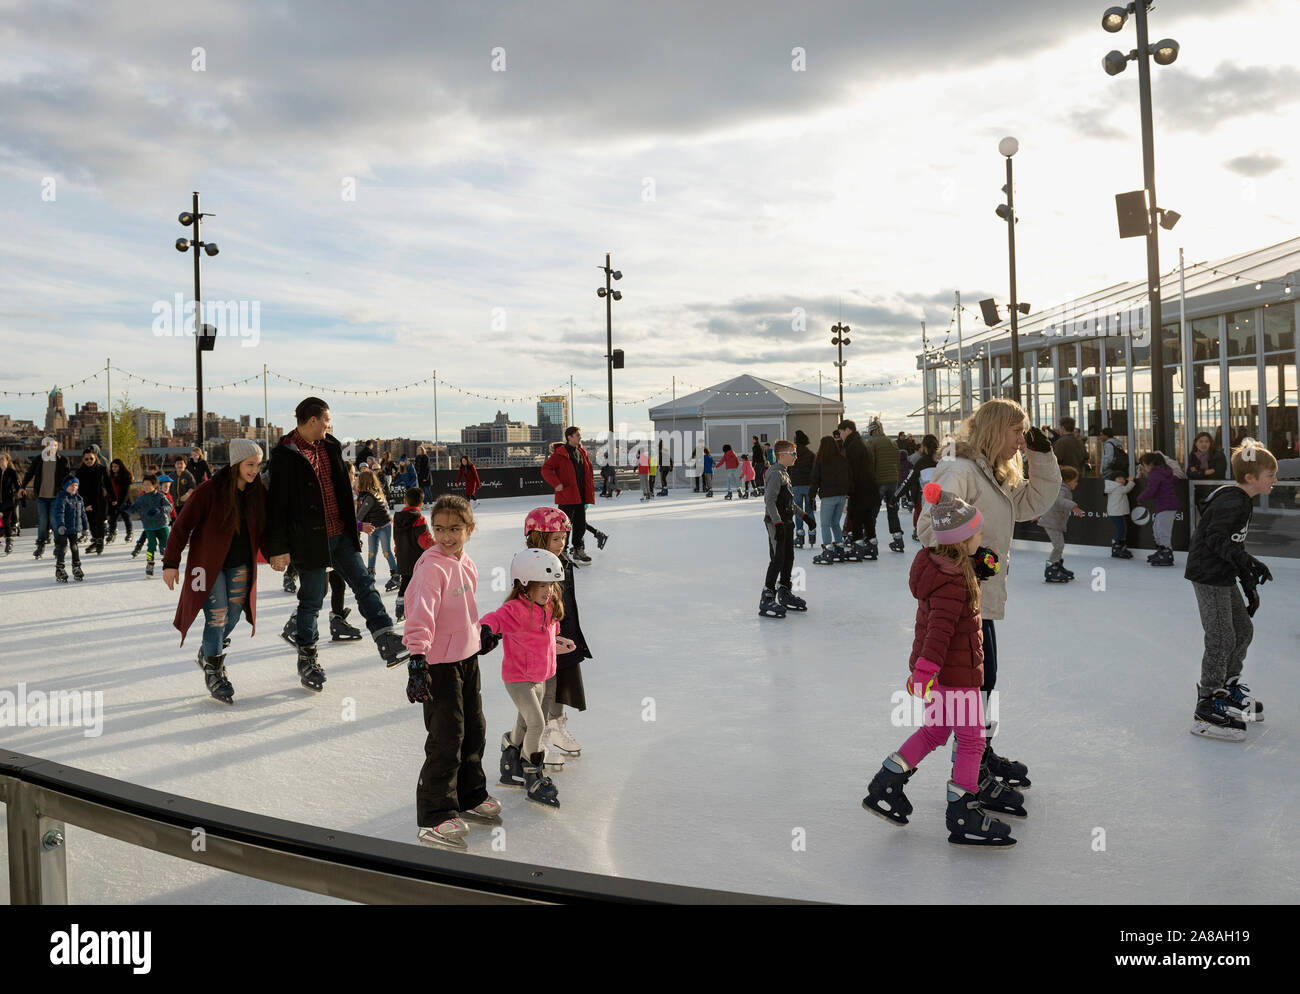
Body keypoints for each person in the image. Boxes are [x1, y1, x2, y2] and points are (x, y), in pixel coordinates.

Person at [861, 484, 1020, 848]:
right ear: (962, 540)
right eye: (977, 533)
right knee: (971, 741)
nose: (981, 537)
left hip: (946, 675)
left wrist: (983, 562)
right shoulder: (953, 583)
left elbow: (982, 566)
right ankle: (962, 809)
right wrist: (925, 671)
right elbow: (939, 631)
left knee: (934, 732)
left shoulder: (947, 566)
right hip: (955, 675)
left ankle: (887, 781)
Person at [917, 398, 1061, 790]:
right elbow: (930, 525)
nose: (1021, 440)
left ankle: (980, 750)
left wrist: (1042, 456)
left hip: (982, 595)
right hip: (963, 595)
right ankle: (971, 761)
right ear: (997, 430)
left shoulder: (994, 473)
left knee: (986, 679)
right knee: (976, 682)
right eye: (1017, 432)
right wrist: (978, 559)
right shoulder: (959, 470)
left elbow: (1033, 502)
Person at [266, 397, 408, 683]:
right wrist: (278, 548)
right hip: (309, 541)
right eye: (327, 419)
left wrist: (352, 526)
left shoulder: (331, 446)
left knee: (365, 584)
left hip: (341, 534)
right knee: (311, 601)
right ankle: (307, 659)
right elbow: (275, 506)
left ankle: (386, 637)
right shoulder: (283, 455)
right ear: (313, 420)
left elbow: (343, 490)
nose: (330, 424)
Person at [402, 494, 500, 851]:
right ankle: (434, 815)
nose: (446, 536)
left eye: (455, 529)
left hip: (465, 659)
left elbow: (464, 610)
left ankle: (470, 795)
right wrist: (417, 661)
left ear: (469, 529)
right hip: (438, 664)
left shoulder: (465, 563)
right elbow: (420, 616)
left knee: (474, 728)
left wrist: (479, 636)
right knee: (447, 736)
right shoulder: (431, 568)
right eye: (439, 529)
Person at [161, 439, 267, 704]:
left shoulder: (257, 492)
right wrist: (171, 563)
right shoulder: (209, 490)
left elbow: (268, 526)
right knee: (217, 618)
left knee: (232, 616)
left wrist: (279, 552)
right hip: (209, 566)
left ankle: (208, 652)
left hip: (241, 564)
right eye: (250, 464)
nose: (254, 470)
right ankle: (214, 671)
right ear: (236, 464)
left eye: (258, 465)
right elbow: (181, 527)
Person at [1184, 440, 1277, 741]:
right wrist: (1245, 562)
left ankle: (1227, 687)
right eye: (1270, 475)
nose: (1275, 480)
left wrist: (1247, 574)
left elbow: (1231, 542)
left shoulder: (1240, 498)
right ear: (1251, 478)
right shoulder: (1233, 500)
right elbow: (1214, 537)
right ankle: (1206, 706)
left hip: (1222, 572)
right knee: (1222, 637)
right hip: (1209, 575)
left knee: (1242, 629)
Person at [480, 548, 575, 810]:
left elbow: (547, 636)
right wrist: (486, 630)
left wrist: (558, 642)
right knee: (537, 724)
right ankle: (533, 772)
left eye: (550, 585)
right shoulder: (516, 609)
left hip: (540, 676)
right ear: (523, 584)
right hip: (518, 678)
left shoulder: (549, 606)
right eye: (541, 585)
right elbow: (494, 619)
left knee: (524, 724)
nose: (548, 590)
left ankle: (510, 761)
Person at [523, 507, 591, 769]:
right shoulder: (532, 567)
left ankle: (556, 728)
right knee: (545, 690)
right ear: (537, 537)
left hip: (564, 634)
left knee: (562, 683)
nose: (561, 543)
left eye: (563, 537)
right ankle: (540, 739)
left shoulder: (563, 562)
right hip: (543, 639)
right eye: (555, 538)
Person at [758, 440, 818, 618]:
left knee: (788, 557)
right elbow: (769, 501)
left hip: (787, 521)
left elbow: (789, 502)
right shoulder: (775, 473)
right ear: (782, 455)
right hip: (777, 523)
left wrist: (804, 516)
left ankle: (784, 591)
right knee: (778, 558)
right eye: (793, 453)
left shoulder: (784, 473)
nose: (796, 457)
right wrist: (777, 523)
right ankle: (767, 596)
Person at [539, 426, 607, 562]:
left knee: (580, 524)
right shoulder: (560, 454)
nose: (580, 437)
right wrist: (556, 483)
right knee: (565, 526)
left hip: (581, 495)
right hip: (567, 496)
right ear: (569, 437)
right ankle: (562, 551)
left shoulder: (582, 452)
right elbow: (545, 469)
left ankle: (578, 549)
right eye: (577, 435)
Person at [18, 435, 71, 559]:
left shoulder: (62, 460)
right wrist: (23, 486)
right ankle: (40, 544)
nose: (52, 447)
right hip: (41, 496)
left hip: (56, 496)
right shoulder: (39, 459)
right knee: (42, 521)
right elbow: (29, 473)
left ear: (57, 447)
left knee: (54, 520)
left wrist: (69, 491)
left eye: (55, 445)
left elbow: (68, 477)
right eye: (50, 445)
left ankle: (58, 545)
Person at [836, 419, 879, 560]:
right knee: (867, 518)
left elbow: (851, 470)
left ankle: (858, 548)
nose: (840, 435)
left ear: (848, 430)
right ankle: (872, 546)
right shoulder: (861, 443)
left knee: (856, 517)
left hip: (859, 488)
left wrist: (848, 490)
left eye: (841, 432)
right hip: (869, 486)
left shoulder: (853, 446)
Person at [810, 434, 853, 565]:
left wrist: (811, 494)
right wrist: (849, 492)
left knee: (825, 524)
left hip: (828, 496)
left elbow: (815, 479)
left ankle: (828, 550)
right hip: (841, 496)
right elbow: (849, 476)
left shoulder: (821, 460)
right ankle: (839, 549)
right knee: (835, 523)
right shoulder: (842, 459)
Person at [1036, 465, 1084, 582]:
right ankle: (1050, 569)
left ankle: (1056, 566)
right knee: (1059, 546)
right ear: (1067, 481)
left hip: (1055, 522)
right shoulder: (1062, 489)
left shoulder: (1063, 488)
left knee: (1059, 546)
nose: (1076, 484)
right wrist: (1074, 507)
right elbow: (1058, 501)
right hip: (1051, 522)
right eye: (1075, 481)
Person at [356, 468, 401, 592]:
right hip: (374, 526)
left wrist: (356, 526)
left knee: (386, 551)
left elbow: (359, 517)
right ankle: (371, 573)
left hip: (383, 527)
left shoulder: (370, 497)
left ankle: (396, 575)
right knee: (372, 552)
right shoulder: (368, 494)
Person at [393, 487, 433, 622]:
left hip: (402, 556)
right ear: (421, 504)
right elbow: (424, 540)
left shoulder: (397, 517)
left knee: (405, 580)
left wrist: (397, 551)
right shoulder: (419, 518)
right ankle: (417, 607)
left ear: (405, 501)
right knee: (419, 583)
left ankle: (400, 607)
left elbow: (395, 538)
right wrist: (437, 546)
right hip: (417, 559)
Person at [865, 416, 905, 553]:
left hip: (879, 481)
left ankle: (871, 541)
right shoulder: (892, 442)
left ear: (871, 431)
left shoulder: (871, 443)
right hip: (893, 480)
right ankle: (898, 539)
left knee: (872, 512)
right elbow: (898, 462)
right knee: (893, 510)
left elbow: (871, 463)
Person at [1136, 452, 1180, 567]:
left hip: (1167, 505)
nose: (1144, 469)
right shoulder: (1164, 471)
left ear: (1150, 464)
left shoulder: (1155, 474)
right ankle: (1161, 550)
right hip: (1165, 505)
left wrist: (1141, 498)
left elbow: (1152, 490)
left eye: (1144, 465)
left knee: (1162, 530)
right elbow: (1173, 479)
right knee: (1156, 528)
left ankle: (1167, 553)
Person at [129, 474, 171, 576]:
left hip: (162, 525)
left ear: (155, 485)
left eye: (148, 485)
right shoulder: (141, 498)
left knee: (165, 545)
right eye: (144, 485)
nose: (146, 487)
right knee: (151, 546)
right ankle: (150, 563)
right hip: (149, 527)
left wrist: (160, 509)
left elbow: (169, 507)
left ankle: (168, 563)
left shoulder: (161, 496)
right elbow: (133, 509)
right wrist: (127, 508)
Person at [72, 448, 110, 556]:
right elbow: (80, 489)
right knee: (92, 522)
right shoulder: (79, 472)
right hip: (87, 500)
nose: (89, 461)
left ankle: (100, 542)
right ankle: (96, 541)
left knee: (100, 521)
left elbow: (108, 484)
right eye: (86, 459)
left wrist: (114, 499)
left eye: (91, 458)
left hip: (101, 499)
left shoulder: (102, 469)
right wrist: (85, 503)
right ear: (83, 460)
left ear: (95, 458)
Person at [901, 434, 940, 541]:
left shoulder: (921, 462)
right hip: (941, 501)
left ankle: (918, 530)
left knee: (924, 520)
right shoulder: (942, 462)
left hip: (926, 500)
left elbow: (908, 481)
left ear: (925, 447)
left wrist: (895, 498)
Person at [51, 474, 88, 584]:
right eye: (71, 485)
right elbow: (59, 513)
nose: (74, 487)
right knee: (63, 548)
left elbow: (83, 514)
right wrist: (60, 525)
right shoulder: (62, 498)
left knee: (75, 547)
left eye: (76, 485)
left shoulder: (79, 499)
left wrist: (85, 527)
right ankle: (60, 568)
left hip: (74, 529)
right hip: (63, 529)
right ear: (65, 486)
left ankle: (76, 567)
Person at [789, 430, 816, 549]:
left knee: (798, 512)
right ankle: (812, 533)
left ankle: (799, 535)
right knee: (809, 511)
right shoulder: (811, 454)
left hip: (795, 485)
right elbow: (815, 470)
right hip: (808, 486)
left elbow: (788, 469)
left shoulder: (792, 454)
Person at [105, 458, 134, 544]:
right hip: (113, 501)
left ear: (120, 467)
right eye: (112, 466)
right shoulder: (110, 477)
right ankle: (112, 533)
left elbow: (126, 492)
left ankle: (129, 533)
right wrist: (112, 500)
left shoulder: (126, 476)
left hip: (124, 501)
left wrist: (120, 502)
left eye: (115, 466)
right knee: (112, 519)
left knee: (126, 517)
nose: (113, 468)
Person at [0, 452, 19, 555]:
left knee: (6, 521)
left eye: (3, 459)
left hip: (8, 501)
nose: (1, 461)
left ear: (7, 461)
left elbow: (17, 486)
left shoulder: (11, 472)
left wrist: (19, 498)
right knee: (1, 522)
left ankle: (9, 542)